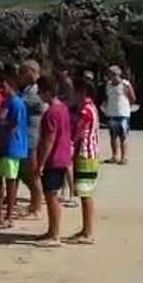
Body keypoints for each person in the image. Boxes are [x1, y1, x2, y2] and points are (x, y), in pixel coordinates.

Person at [0, 64, 28, 228]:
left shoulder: (16, 103)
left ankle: (9, 214)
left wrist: (1, 143)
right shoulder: (6, 102)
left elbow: (12, 127)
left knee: (10, 180)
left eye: (4, 85)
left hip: (12, 146)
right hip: (2, 145)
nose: (1, 88)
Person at [33, 76, 72, 248]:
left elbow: (49, 139)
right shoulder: (63, 108)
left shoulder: (51, 112)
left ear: (47, 92)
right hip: (63, 156)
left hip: (54, 159)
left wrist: (41, 162)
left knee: (51, 196)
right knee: (51, 195)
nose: (39, 96)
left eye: (40, 92)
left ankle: (55, 234)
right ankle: (51, 230)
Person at [66, 78, 100, 245]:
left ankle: (88, 231)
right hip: (87, 153)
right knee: (84, 193)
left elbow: (78, 131)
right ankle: (86, 229)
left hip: (86, 154)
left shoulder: (86, 110)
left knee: (85, 193)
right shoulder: (88, 107)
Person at [18, 60, 45, 219]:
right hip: (25, 135)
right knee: (25, 172)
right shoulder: (27, 89)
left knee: (32, 172)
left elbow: (28, 104)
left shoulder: (35, 90)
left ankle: (36, 207)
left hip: (32, 136)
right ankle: (34, 202)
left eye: (22, 72)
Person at [103, 65, 136, 165]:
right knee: (113, 136)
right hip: (111, 113)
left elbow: (133, 97)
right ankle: (114, 156)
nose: (110, 77)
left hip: (123, 114)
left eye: (111, 74)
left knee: (123, 136)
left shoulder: (125, 84)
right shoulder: (108, 85)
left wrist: (127, 106)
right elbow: (107, 98)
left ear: (117, 75)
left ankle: (124, 157)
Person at [56, 68, 76, 207]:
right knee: (64, 164)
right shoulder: (62, 85)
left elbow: (69, 102)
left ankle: (71, 192)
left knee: (68, 164)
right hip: (65, 127)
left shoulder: (67, 85)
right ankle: (63, 190)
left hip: (68, 129)